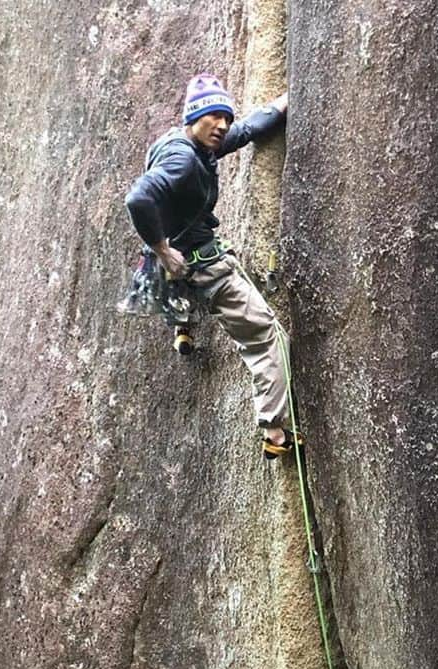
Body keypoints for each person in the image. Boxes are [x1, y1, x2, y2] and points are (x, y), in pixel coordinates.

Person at [124, 74, 295, 458]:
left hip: (166, 276)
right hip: (197, 268)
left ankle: (182, 326)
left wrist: (286, 100)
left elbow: (249, 128)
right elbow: (138, 200)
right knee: (270, 337)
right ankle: (275, 433)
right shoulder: (185, 160)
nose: (222, 125)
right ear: (193, 116)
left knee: (178, 288)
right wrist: (164, 249)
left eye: (226, 117)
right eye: (213, 116)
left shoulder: (186, 144)